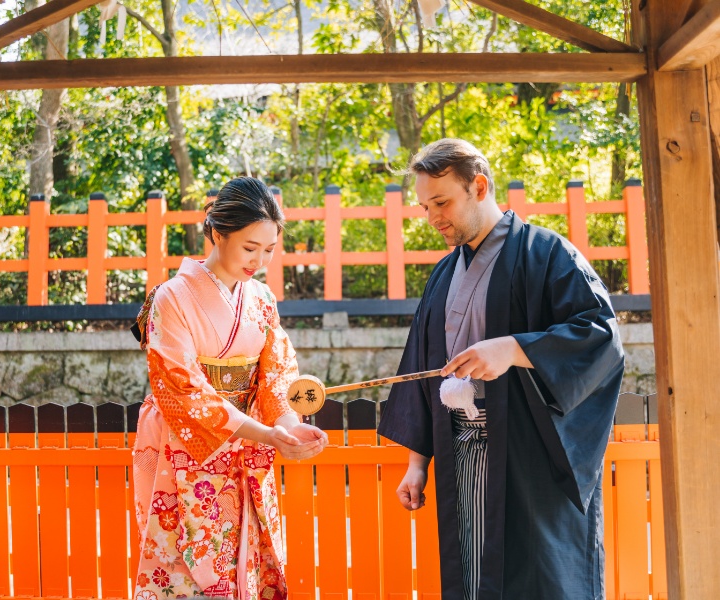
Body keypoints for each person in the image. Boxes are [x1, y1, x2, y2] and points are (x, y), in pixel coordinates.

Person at [378, 139, 624, 600]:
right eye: (425, 206)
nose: (433, 218)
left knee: (539, 578)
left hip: (529, 453)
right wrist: (417, 463)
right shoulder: (443, 274)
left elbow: (601, 335)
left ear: (479, 186)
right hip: (461, 453)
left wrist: (513, 349)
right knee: (473, 576)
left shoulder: (547, 253)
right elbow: (425, 368)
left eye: (442, 202)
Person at [131, 177, 328, 600]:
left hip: (249, 442)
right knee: (186, 558)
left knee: (247, 560)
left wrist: (289, 425)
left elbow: (276, 374)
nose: (260, 260)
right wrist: (265, 433)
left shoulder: (261, 300)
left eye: (270, 250)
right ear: (218, 234)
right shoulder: (173, 297)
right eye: (249, 247)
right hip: (183, 441)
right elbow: (183, 389)